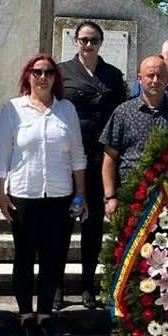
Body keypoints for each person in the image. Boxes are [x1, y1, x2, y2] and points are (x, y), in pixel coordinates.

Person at [100, 55, 168, 336]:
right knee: (129, 267)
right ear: (139, 78)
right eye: (149, 75)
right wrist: (110, 197)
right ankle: (124, 328)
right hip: (133, 203)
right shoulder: (123, 112)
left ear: (167, 78)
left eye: (160, 75)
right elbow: (109, 159)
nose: (155, 80)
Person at [0, 53, 87, 336]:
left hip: (59, 196)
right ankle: (25, 318)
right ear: (28, 76)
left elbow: (77, 156)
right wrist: (0, 193)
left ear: (56, 78)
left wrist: (81, 194)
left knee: (53, 260)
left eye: (48, 72)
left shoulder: (67, 110)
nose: (43, 77)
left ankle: (45, 317)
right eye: (37, 72)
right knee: (24, 259)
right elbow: (1, 155)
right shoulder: (13, 109)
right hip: (24, 196)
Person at [57, 21, 125, 310]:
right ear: (75, 41)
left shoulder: (113, 75)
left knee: (93, 226)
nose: (88, 45)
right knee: (62, 226)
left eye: (93, 40)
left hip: (100, 160)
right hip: (68, 160)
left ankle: (87, 286)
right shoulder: (61, 72)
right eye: (83, 39)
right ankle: (57, 287)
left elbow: (120, 115)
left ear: (101, 43)